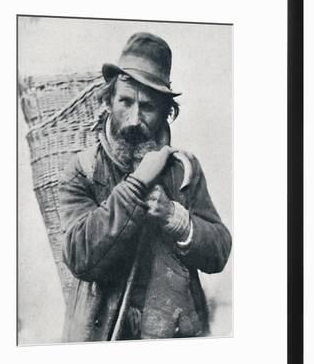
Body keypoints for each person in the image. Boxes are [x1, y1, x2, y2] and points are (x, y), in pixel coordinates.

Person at [59, 32, 232, 342]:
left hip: (177, 337)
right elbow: (79, 257)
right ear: (109, 101)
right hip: (103, 338)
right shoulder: (83, 169)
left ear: (167, 111)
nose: (134, 118)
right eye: (125, 101)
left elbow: (219, 251)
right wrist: (137, 184)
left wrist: (176, 219)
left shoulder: (183, 169)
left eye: (148, 106)